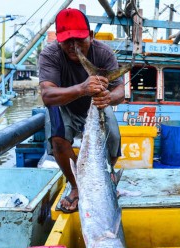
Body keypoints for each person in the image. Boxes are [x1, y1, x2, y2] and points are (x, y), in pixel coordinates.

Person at [38, 8, 124, 213]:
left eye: (79, 39)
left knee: (113, 139)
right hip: (65, 105)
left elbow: (121, 90)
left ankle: (103, 177)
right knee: (58, 139)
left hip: (96, 106)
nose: (73, 46)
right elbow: (47, 95)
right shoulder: (50, 54)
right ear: (58, 40)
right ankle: (77, 185)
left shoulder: (104, 53)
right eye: (67, 40)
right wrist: (81, 89)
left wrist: (109, 97)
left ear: (91, 36)